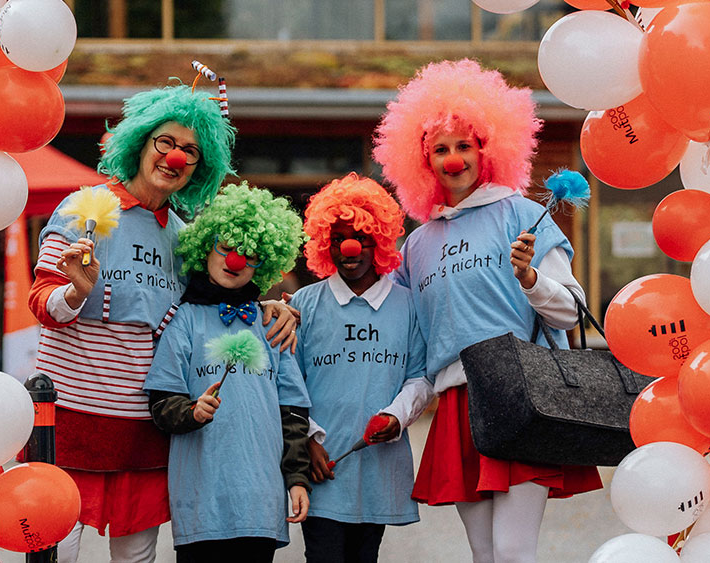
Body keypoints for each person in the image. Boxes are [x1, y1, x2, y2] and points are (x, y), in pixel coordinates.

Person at [27, 82, 297, 563]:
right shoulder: (84, 209)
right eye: (166, 143)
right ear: (141, 143)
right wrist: (77, 291)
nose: (174, 158)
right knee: (56, 553)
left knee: (136, 558)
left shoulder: (184, 237)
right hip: (74, 420)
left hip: (146, 426)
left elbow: (219, 299)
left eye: (190, 151)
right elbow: (41, 303)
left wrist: (272, 308)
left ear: (200, 167)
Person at [372, 59, 602, 563]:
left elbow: (573, 312)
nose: (453, 159)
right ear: (423, 160)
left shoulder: (522, 214)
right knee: (483, 554)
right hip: (456, 403)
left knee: (514, 551)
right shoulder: (417, 245)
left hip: (523, 393)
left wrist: (530, 278)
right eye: (440, 149)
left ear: (487, 148)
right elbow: (399, 329)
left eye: (464, 145)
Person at [144, 182, 312, 563]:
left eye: (249, 254)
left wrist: (297, 478)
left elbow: (293, 413)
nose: (235, 261)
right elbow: (160, 401)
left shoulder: (271, 324)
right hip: (201, 502)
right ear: (207, 248)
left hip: (260, 502)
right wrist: (191, 412)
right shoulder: (184, 320)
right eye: (226, 247)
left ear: (265, 262)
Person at [290, 173, 433, 563]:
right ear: (325, 244)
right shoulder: (305, 303)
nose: (348, 248)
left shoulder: (406, 305)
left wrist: (396, 415)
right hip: (323, 466)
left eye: (361, 238)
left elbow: (420, 376)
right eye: (337, 239)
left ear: (381, 241)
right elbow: (289, 382)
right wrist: (309, 440)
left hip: (377, 470)